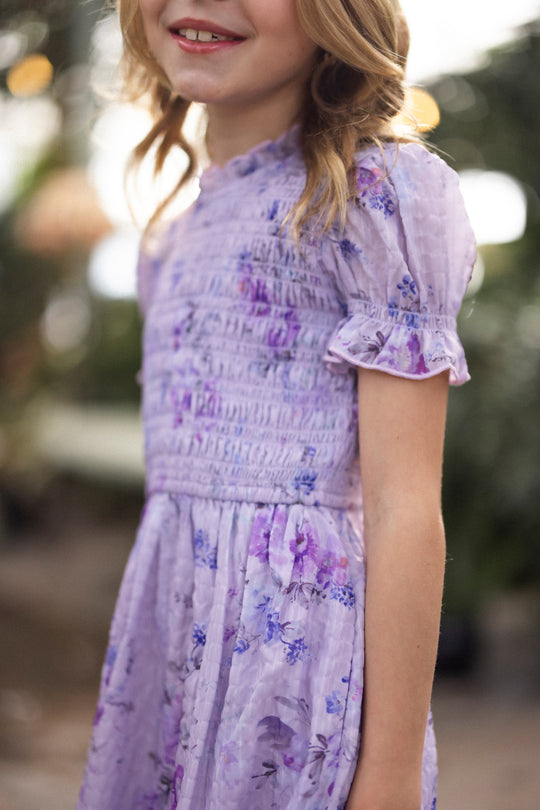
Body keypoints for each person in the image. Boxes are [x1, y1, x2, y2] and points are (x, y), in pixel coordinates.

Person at [78, 1, 476, 809]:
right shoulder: (172, 236)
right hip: (176, 667)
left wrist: (391, 774)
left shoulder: (373, 196)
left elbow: (405, 505)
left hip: (289, 680)